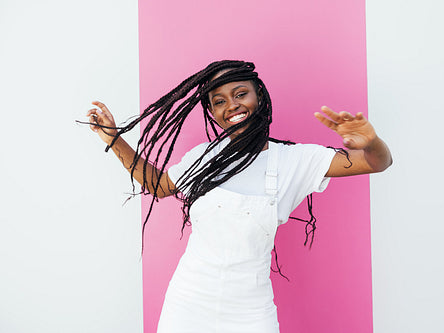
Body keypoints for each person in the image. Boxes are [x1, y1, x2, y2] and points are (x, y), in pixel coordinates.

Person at [86, 60, 391, 333]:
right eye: (219, 101)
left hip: (250, 312)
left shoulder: (294, 161)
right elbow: (159, 185)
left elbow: (376, 162)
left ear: (259, 94)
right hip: (188, 303)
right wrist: (114, 138)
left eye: (240, 94)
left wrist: (372, 141)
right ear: (213, 113)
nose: (231, 105)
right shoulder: (203, 158)